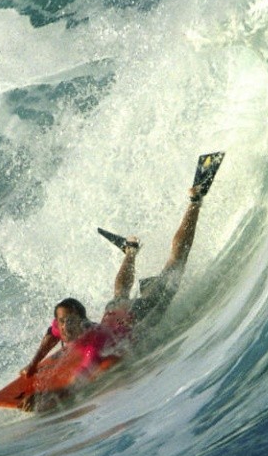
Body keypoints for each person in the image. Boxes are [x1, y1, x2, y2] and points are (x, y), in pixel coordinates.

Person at [19, 154, 221, 387]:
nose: (64, 327)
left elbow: (86, 372)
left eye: (69, 321)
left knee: (174, 265)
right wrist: (33, 364)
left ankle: (195, 201)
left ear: (83, 321)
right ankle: (131, 250)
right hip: (114, 316)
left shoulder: (93, 344)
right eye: (62, 321)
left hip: (140, 315)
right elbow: (50, 335)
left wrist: (53, 396)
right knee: (119, 293)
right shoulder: (62, 327)